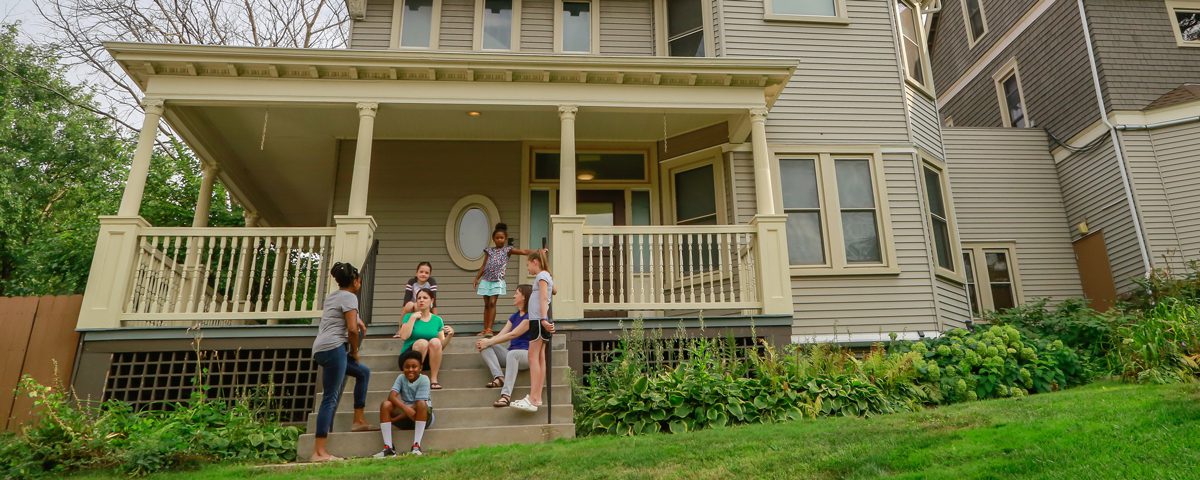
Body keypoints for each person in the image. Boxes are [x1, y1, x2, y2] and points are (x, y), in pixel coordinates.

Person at [309, 262, 372, 462]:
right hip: (335, 348)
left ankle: (358, 420)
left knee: (363, 373)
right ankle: (319, 452)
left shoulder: (334, 296)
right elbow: (352, 330)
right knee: (330, 398)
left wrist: (358, 318)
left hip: (321, 348)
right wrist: (355, 351)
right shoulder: (350, 297)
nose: (360, 282)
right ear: (354, 281)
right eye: (359, 279)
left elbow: (343, 315)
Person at [471, 223, 545, 336]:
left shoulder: (507, 250)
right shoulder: (489, 251)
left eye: (502, 238)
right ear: (493, 239)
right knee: (486, 304)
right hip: (486, 280)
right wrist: (477, 278)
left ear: (505, 239)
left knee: (492, 303)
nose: (499, 240)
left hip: (497, 281)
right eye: (497, 238)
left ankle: (490, 330)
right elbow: (484, 265)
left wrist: (539, 251)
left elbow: (524, 252)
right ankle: (485, 329)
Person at [510, 251, 554, 413]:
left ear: (535, 262)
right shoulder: (546, 275)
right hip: (540, 320)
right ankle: (537, 398)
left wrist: (543, 319)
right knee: (540, 357)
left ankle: (533, 398)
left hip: (538, 320)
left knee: (532, 356)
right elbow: (553, 290)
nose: (527, 268)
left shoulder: (541, 276)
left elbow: (543, 297)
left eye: (528, 264)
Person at [475, 284, 532, 407]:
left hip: (526, 356)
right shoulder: (514, 317)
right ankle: (499, 376)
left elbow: (513, 334)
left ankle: (506, 396)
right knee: (485, 345)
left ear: (524, 297)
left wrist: (490, 341)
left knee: (512, 353)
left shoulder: (530, 316)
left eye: (516, 293)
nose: (513, 296)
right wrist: (486, 342)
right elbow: (500, 336)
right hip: (511, 355)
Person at [374, 350, 436, 457]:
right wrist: (405, 408)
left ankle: (416, 447)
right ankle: (388, 448)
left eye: (414, 366)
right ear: (403, 368)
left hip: (423, 416)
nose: (410, 369)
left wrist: (394, 419)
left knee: (421, 403)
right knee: (386, 404)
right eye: (407, 367)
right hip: (408, 416)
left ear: (420, 368)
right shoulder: (401, 378)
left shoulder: (424, 379)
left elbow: (418, 404)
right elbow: (391, 396)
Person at [394, 288, 450, 389]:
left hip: (428, 361)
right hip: (409, 360)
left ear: (432, 301)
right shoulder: (408, 316)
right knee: (422, 343)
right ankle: (415, 379)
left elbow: (440, 346)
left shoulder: (437, 320)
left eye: (425, 298)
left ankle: (434, 380)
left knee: (435, 341)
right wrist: (413, 318)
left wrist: (450, 336)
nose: (421, 300)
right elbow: (404, 336)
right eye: (419, 298)